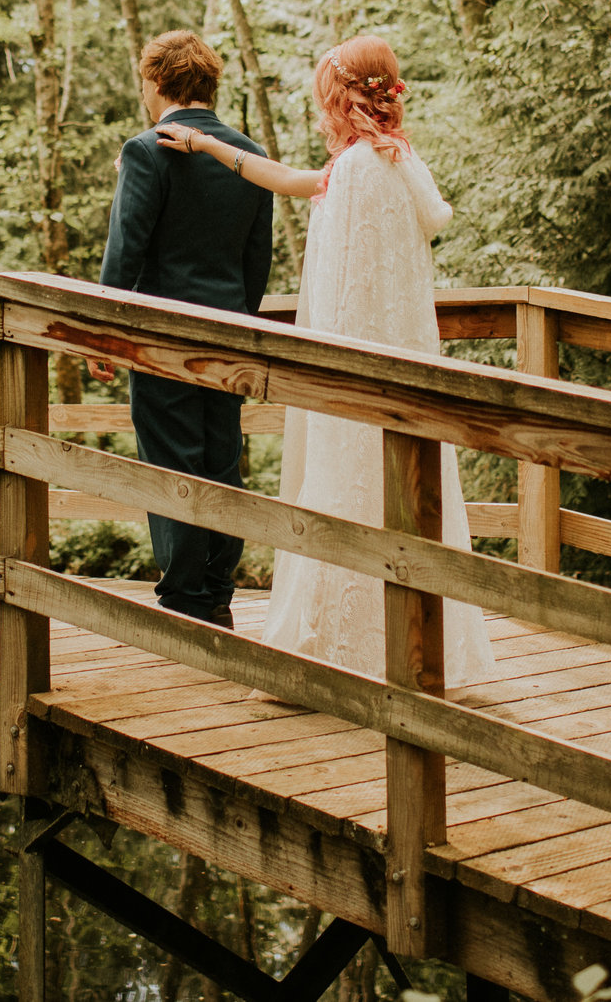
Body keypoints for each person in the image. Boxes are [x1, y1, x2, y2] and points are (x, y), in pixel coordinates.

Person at [155, 34, 499, 689]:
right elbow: (290, 180)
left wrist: (323, 372)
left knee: (344, 493)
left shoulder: (354, 175)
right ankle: (417, 649)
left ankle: (332, 655)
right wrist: (208, 145)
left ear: (340, 99)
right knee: (409, 501)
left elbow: (342, 284)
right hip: (411, 367)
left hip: (355, 370)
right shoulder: (392, 160)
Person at [98, 30, 276, 627]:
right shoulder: (248, 155)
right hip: (229, 331)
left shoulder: (148, 150)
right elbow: (257, 258)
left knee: (173, 461)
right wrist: (238, 320)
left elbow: (125, 252)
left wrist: (100, 332)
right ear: (210, 84)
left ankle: (184, 602)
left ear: (155, 83)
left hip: (161, 337)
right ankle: (216, 592)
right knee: (222, 460)